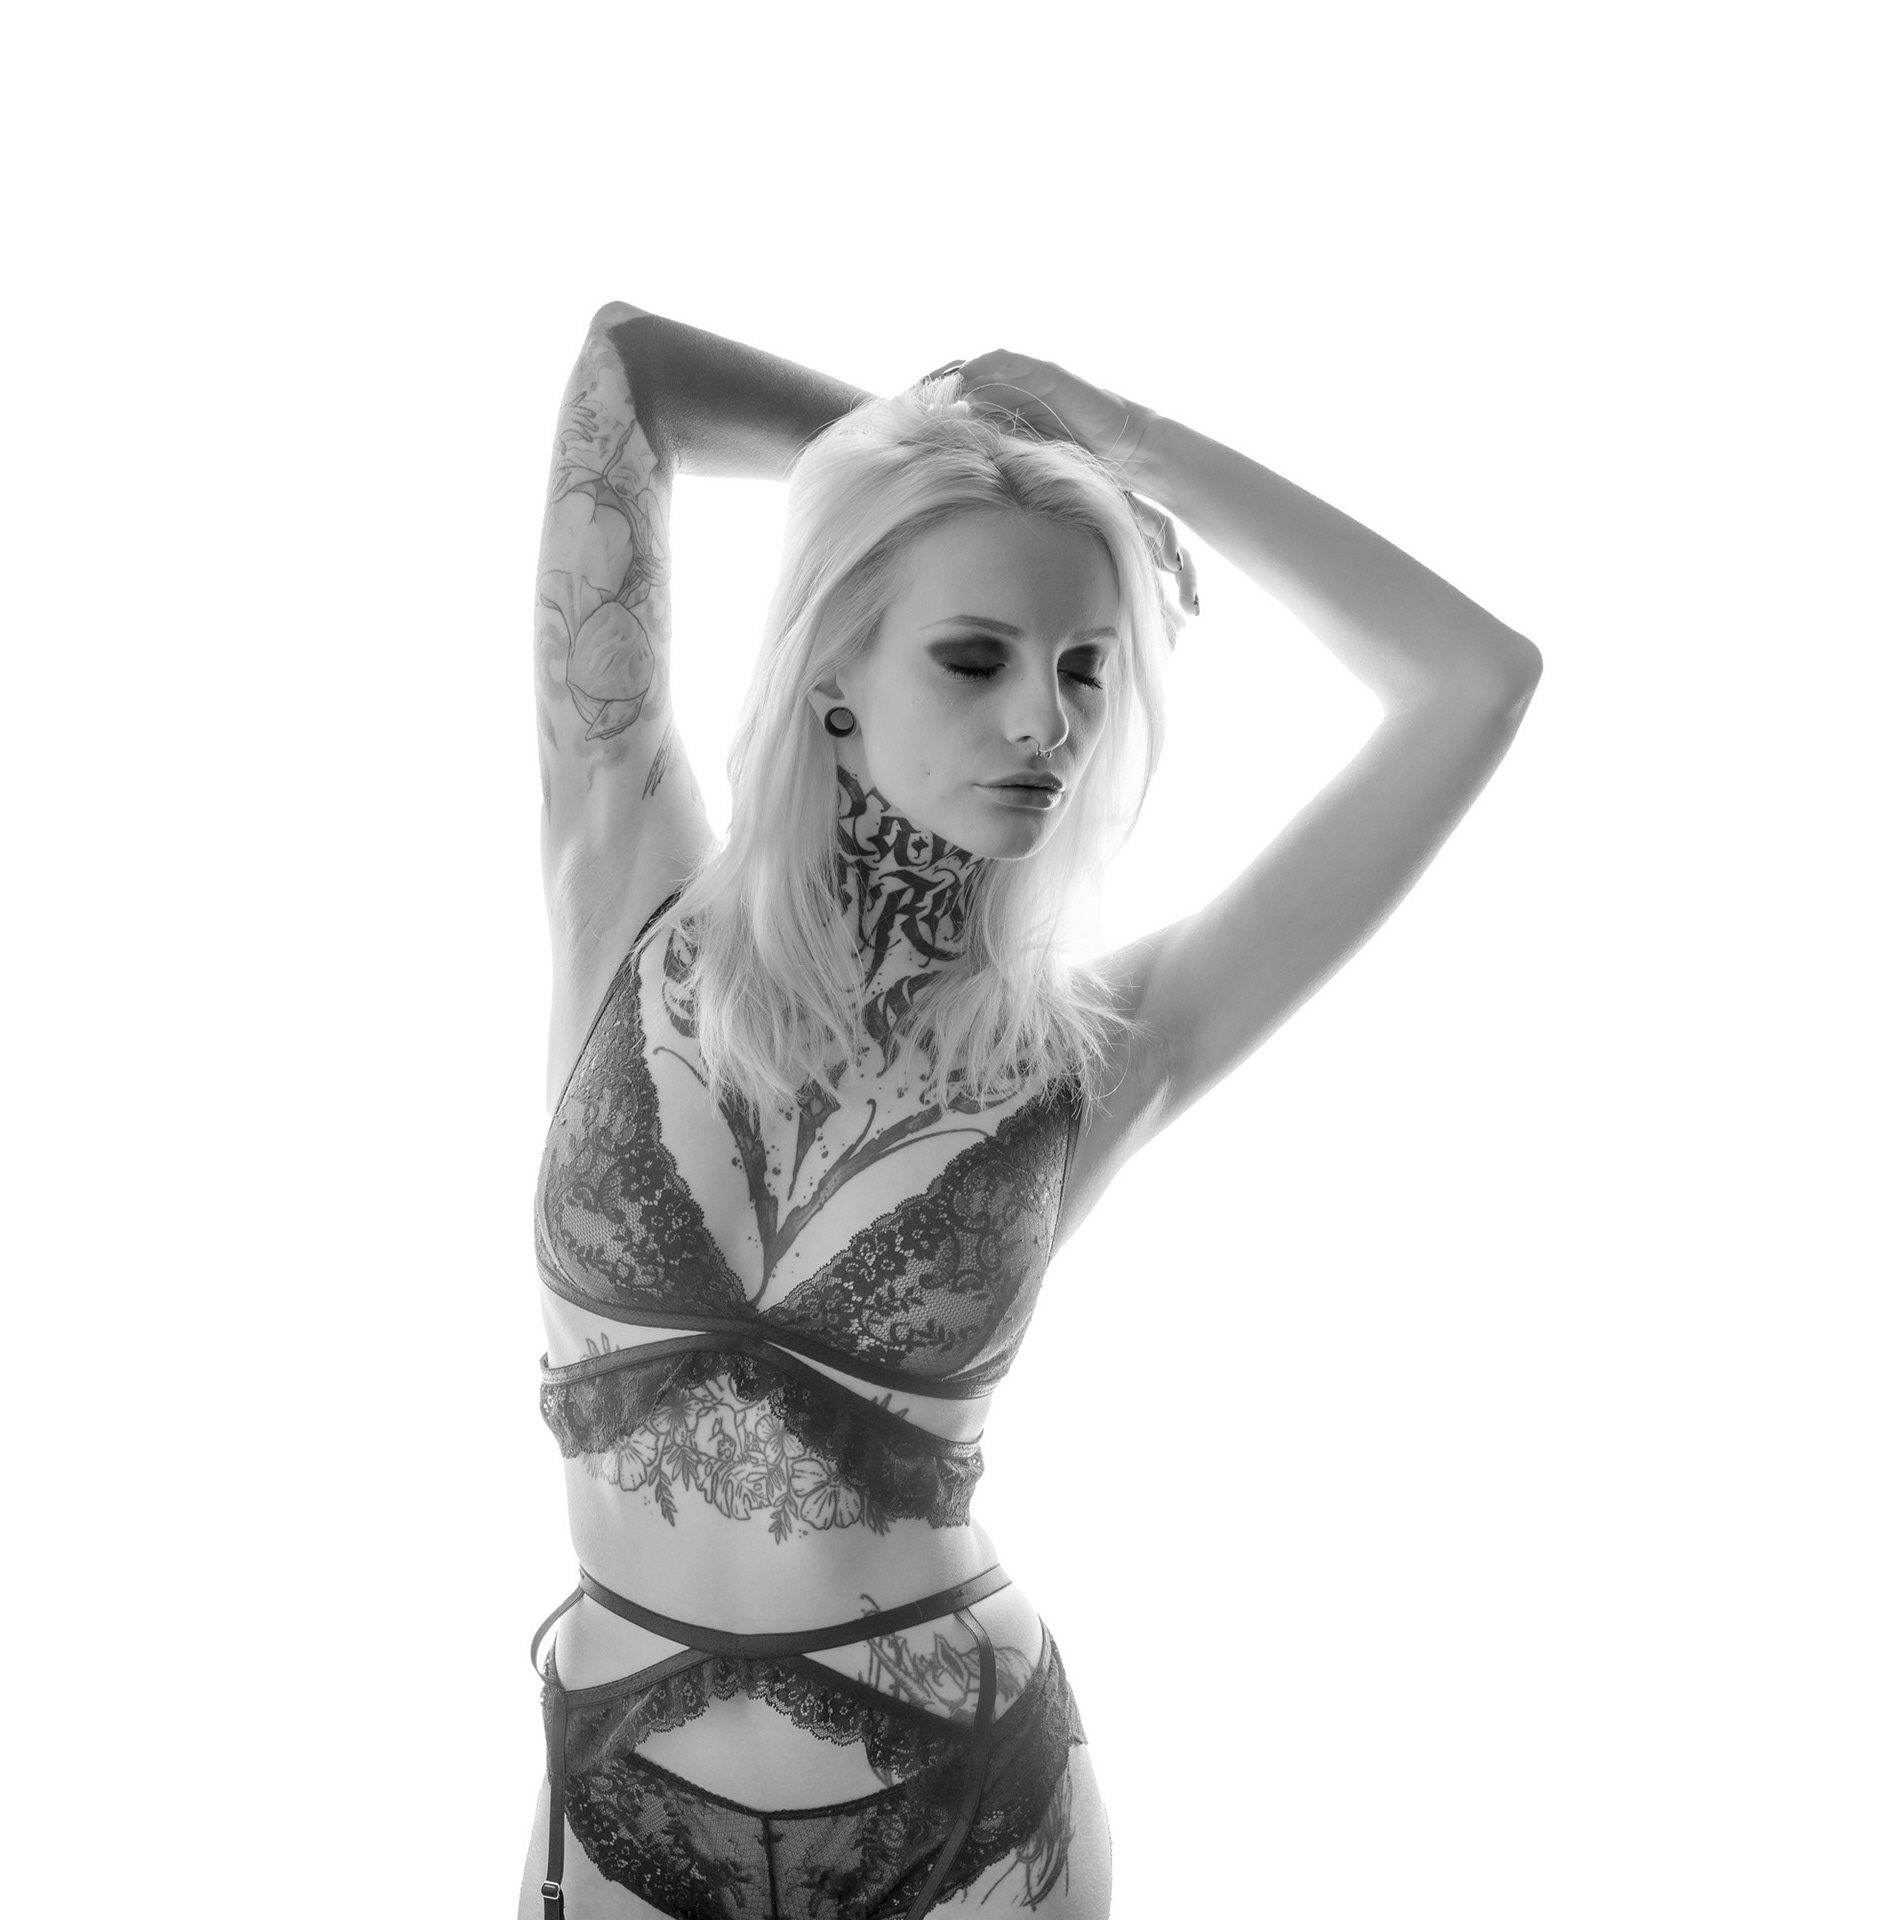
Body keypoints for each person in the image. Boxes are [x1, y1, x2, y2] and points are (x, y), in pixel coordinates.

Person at [519, 304, 1542, 1920]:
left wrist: (1119, 442)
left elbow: (1477, 683)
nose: (1045, 723)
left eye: (1084, 668)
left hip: (971, 1816)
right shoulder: (630, 882)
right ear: (835, 669)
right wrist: (936, 464)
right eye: (974, 656)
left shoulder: (1099, 1051)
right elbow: (626, 372)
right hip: (613, 1779)